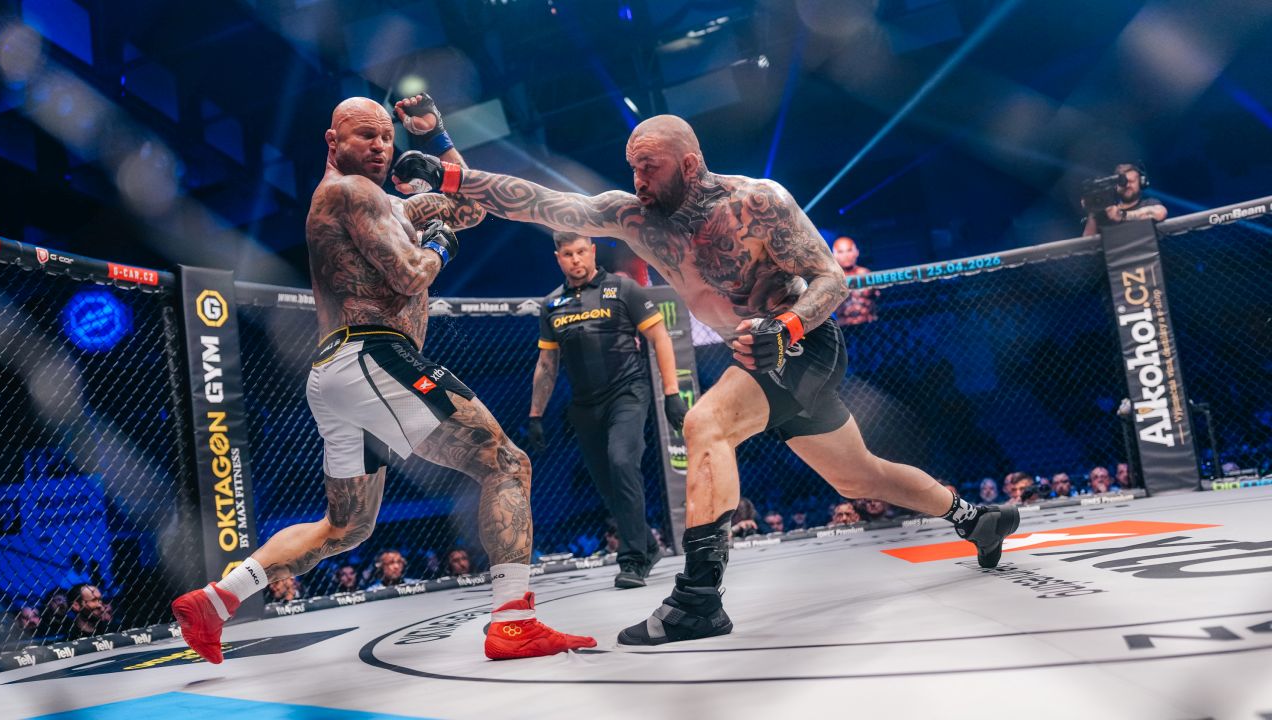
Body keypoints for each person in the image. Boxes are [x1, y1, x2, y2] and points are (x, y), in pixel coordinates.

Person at [395, 112, 1020, 647]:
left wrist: (787, 327)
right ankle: (975, 518)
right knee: (859, 476)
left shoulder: (758, 204)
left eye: (651, 168)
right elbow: (541, 201)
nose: (639, 181)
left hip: (802, 344)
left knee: (705, 423)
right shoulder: (633, 216)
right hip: (754, 355)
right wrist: (452, 176)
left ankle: (698, 598)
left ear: (690, 165)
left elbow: (831, 278)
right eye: (633, 167)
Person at [171, 95, 593, 663]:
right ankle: (514, 623)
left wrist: (438, 140)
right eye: (365, 135)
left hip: (341, 372)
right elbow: (411, 274)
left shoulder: (388, 205)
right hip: (373, 356)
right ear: (333, 141)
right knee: (507, 464)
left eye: (387, 137)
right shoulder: (351, 191)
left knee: (346, 527)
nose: (379, 145)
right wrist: (439, 243)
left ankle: (215, 601)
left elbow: (472, 206)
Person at [528, 230, 685, 588]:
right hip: (584, 405)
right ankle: (648, 545)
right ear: (558, 258)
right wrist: (535, 415)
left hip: (627, 393)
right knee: (606, 484)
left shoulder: (623, 289)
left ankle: (633, 560)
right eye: (568, 254)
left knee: (621, 461)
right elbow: (547, 364)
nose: (576, 259)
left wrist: (672, 393)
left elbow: (660, 337)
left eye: (581, 251)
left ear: (593, 250)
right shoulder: (551, 304)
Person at [1082, 163, 1167, 237]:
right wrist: (1092, 211)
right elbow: (1088, 243)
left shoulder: (1149, 203)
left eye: (1131, 181)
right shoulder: (1107, 212)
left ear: (1141, 183)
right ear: (1116, 186)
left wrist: (1122, 215)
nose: (1127, 185)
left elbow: (1160, 213)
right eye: (1122, 182)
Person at [831, 236, 878, 326]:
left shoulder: (865, 273)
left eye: (849, 250)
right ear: (834, 255)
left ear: (856, 252)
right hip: (844, 327)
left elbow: (878, 297)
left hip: (869, 324)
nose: (846, 256)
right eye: (841, 252)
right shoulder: (831, 278)